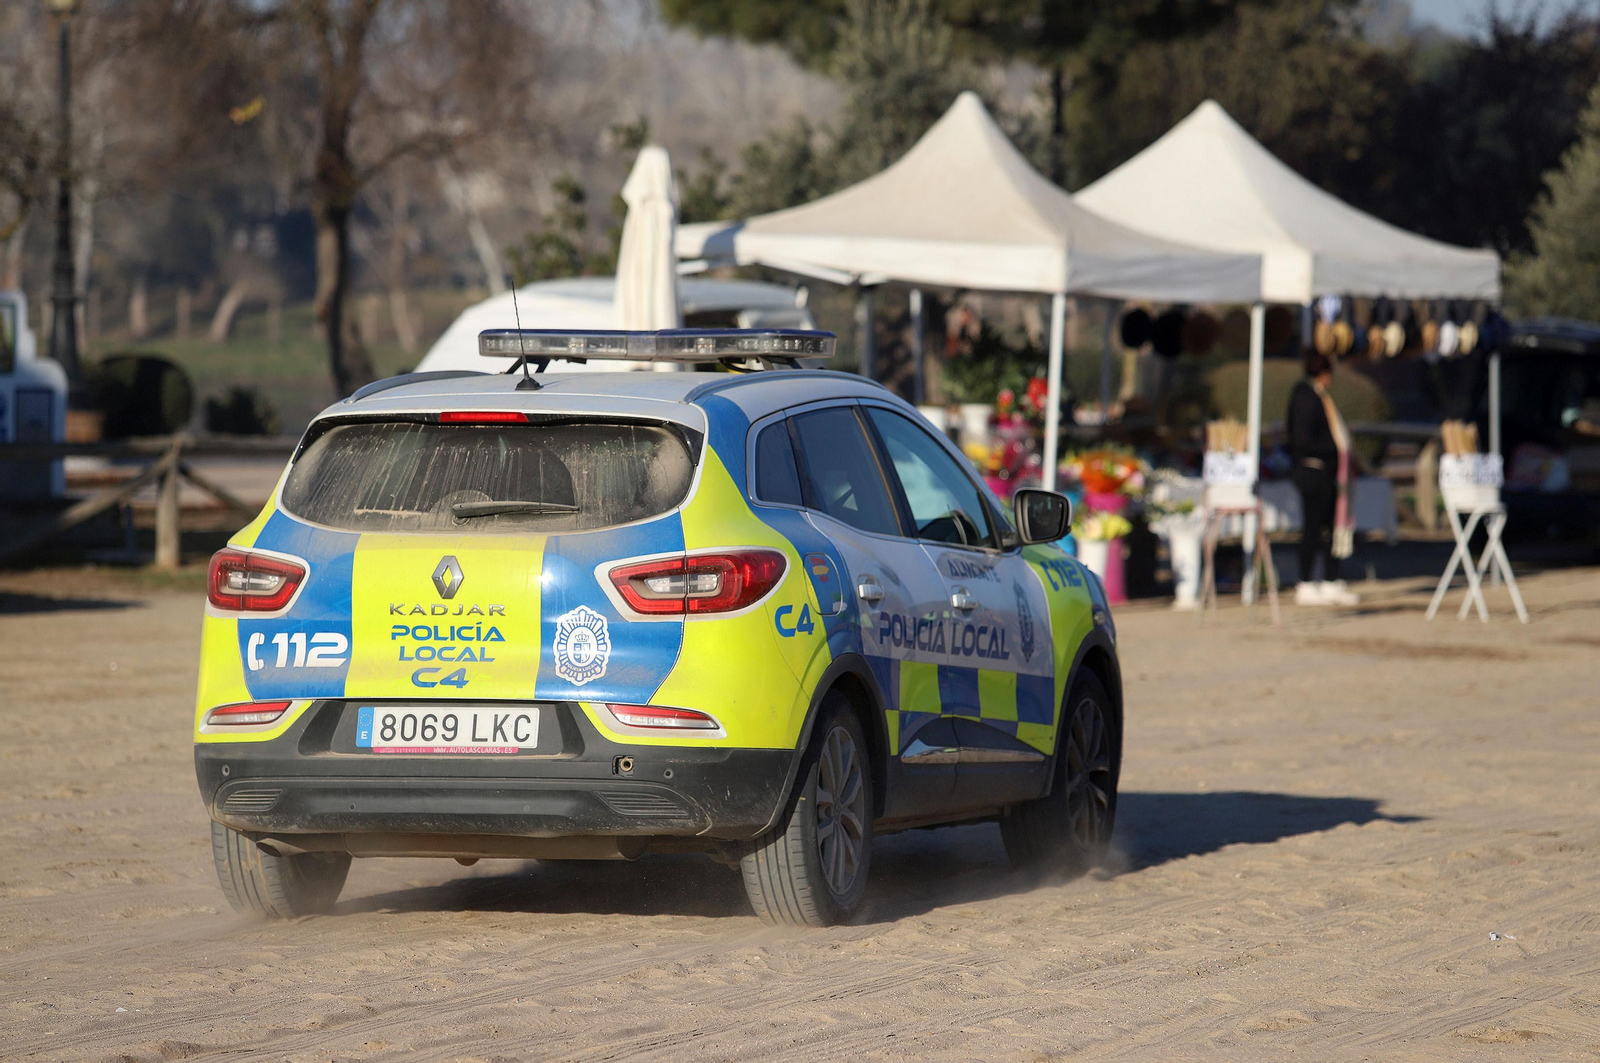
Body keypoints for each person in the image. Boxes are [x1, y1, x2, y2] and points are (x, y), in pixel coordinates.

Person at [1286, 349, 1359, 606]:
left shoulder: (1320, 396)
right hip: (1313, 471)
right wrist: (1333, 449)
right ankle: (1306, 582)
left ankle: (1330, 579)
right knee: (1312, 529)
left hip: (1328, 473)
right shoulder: (1306, 397)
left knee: (1331, 527)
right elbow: (1302, 440)